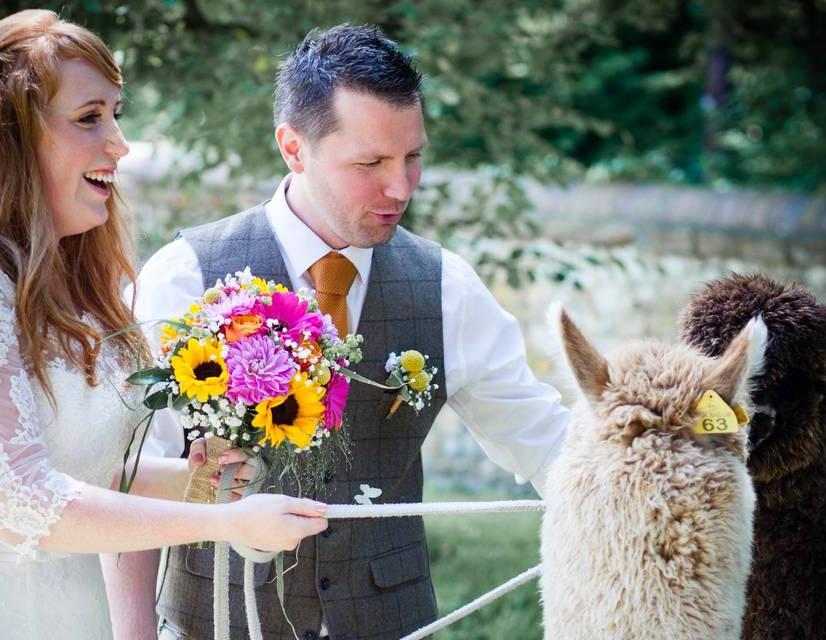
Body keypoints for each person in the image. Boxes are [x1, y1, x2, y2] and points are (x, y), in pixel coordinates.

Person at [122, 24, 571, 640]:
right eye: (371, 163)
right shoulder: (185, 278)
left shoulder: (447, 288)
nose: (401, 187)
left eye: (413, 156)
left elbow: (550, 443)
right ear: (293, 148)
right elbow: (130, 482)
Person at [0, 10, 328, 639]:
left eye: (116, 114)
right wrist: (223, 525)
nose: (119, 143)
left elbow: (93, 471)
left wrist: (207, 485)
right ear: (6, 137)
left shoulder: (69, 290)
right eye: (90, 118)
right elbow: (22, 504)